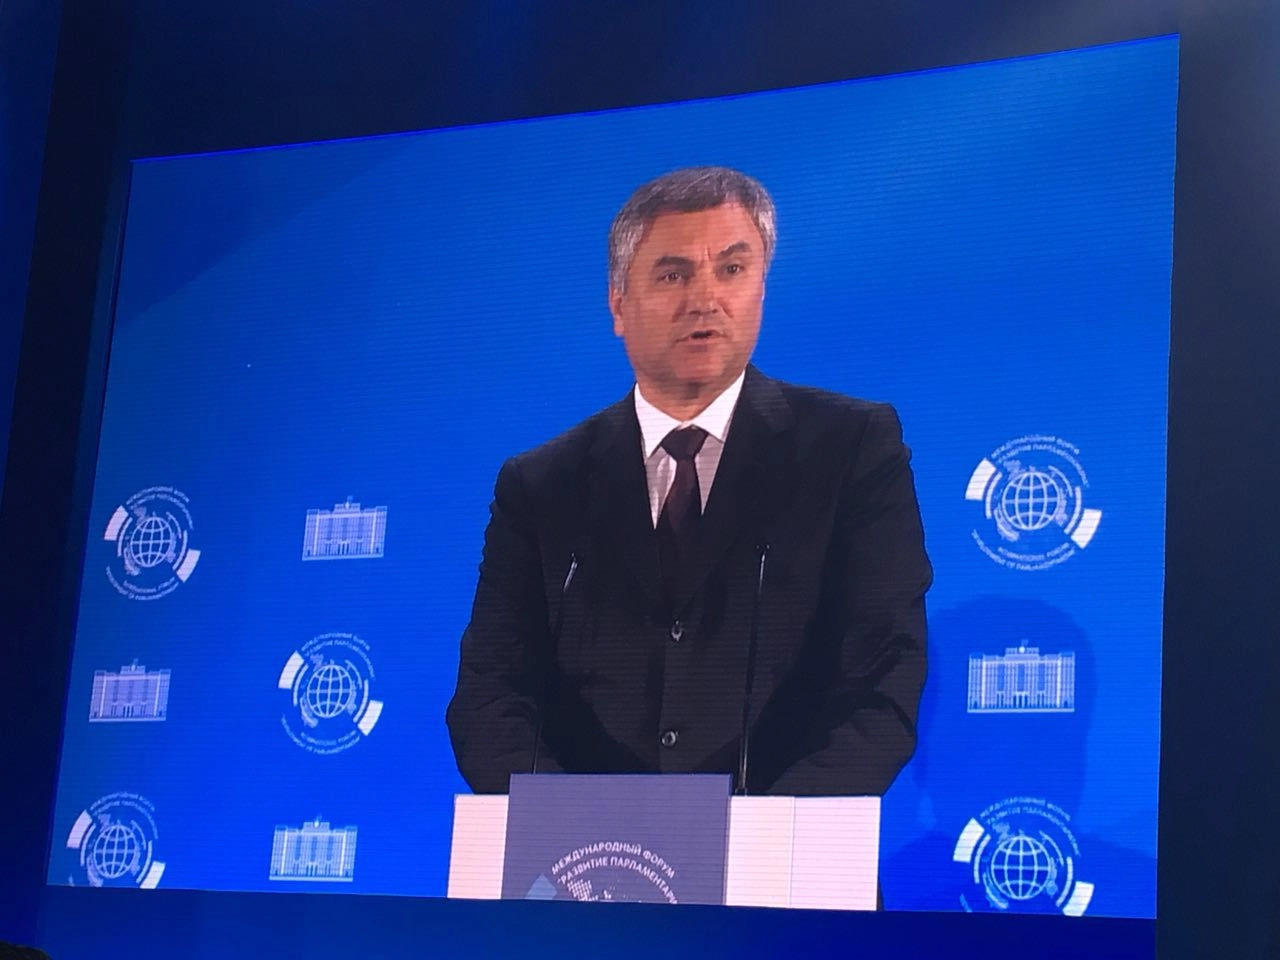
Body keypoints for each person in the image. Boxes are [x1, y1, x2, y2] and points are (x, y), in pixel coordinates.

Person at [446, 166, 931, 796]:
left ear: (762, 286)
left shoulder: (852, 447)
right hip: (590, 853)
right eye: (674, 275)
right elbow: (489, 698)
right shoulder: (540, 486)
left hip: (782, 849)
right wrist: (585, 833)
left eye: (732, 269)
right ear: (618, 304)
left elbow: (882, 681)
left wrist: (751, 838)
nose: (705, 299)